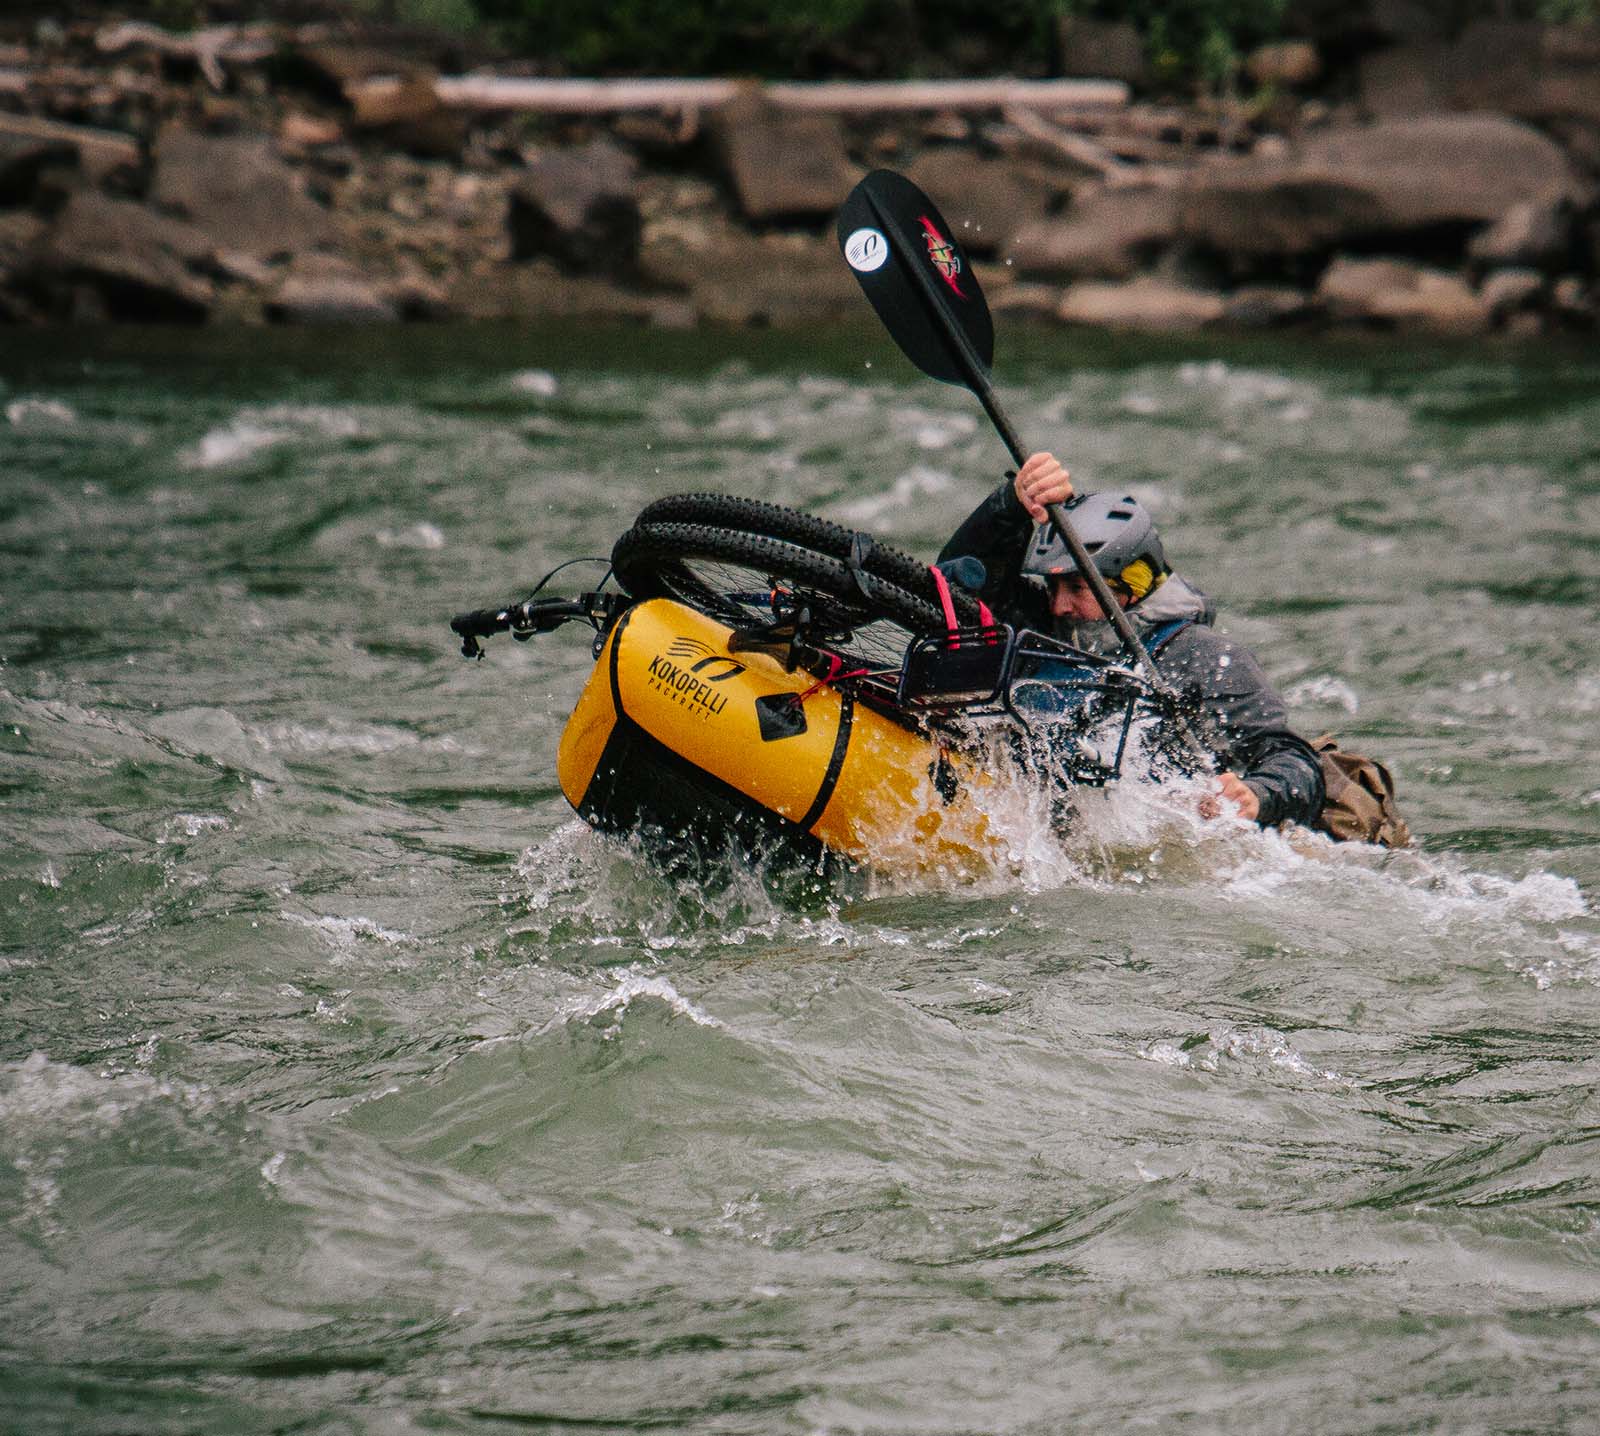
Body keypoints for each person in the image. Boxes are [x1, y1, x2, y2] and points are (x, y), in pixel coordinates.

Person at [937, 451, 1324, 829]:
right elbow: (956, 584)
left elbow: (1292, 760)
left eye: (1076, 587)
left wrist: (1258, 794)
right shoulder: (1039, 625)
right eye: (1053, 586)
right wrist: (1012, 505)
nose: (1059, 606)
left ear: (1133, 586)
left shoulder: (1205, 659)